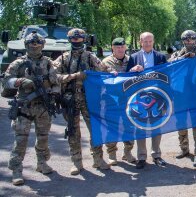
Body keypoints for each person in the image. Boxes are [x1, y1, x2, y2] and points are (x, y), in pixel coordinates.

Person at [4, 32, 60, 185]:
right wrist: (20, 81)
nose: (35, 47)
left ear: (42, 45)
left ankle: (42, 163)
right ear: (26, 45)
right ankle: (16, 170)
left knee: (43, 137)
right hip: (25, 106)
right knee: (21, 140)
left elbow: (56, 82)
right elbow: (6, 81)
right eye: (31, 44)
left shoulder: (48, 63)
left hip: (43, 106)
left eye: (37, 44)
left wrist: (54, 94)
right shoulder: (18, 63)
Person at [54, 28, 110, 175]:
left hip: (88, 99)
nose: (76, 41)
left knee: (95, 130)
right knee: (73, 132)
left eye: (79, 39)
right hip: (70, 99)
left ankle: (98, 159)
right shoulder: (63, 58)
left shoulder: (90, 57)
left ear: (84, 39)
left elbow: (104, 70)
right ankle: (76, 162)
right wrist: (73, 76)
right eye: (73, 39)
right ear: (69, 40)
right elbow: (54, 76)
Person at [126, 31, 167, 169]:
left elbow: (167, 75)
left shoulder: (161, 57)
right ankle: (142, 157)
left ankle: (156, 155)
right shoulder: (133, 57)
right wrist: (132, 69)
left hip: (158, 96)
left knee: (157, 125)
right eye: (145, 41)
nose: (148, 43)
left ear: (153, 42)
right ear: (140, 42)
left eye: (150, 41)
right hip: (140, 96)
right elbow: (126, 76)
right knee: (140, 126)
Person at [170, 30, 196, 167]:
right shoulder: (177, 54)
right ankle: (184, 150)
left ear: (195, 40)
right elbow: (170, 66)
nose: (189, 42)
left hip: (195, 94)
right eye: (186, 39)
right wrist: (182, 58)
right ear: (183, 40)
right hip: (180, 94)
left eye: (191, 39)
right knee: (181, 123)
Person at [101, 37, 136, 165]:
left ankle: (128, 152)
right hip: (112, 100)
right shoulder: (105, 62)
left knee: (129, 126)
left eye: (122, 47)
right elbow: (100, 80)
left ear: (125, 47)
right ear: (112, 48)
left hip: (128, 99)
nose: (120, 49)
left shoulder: (132, 60)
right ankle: (112, 154)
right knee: (112, 126)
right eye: (117, 47)